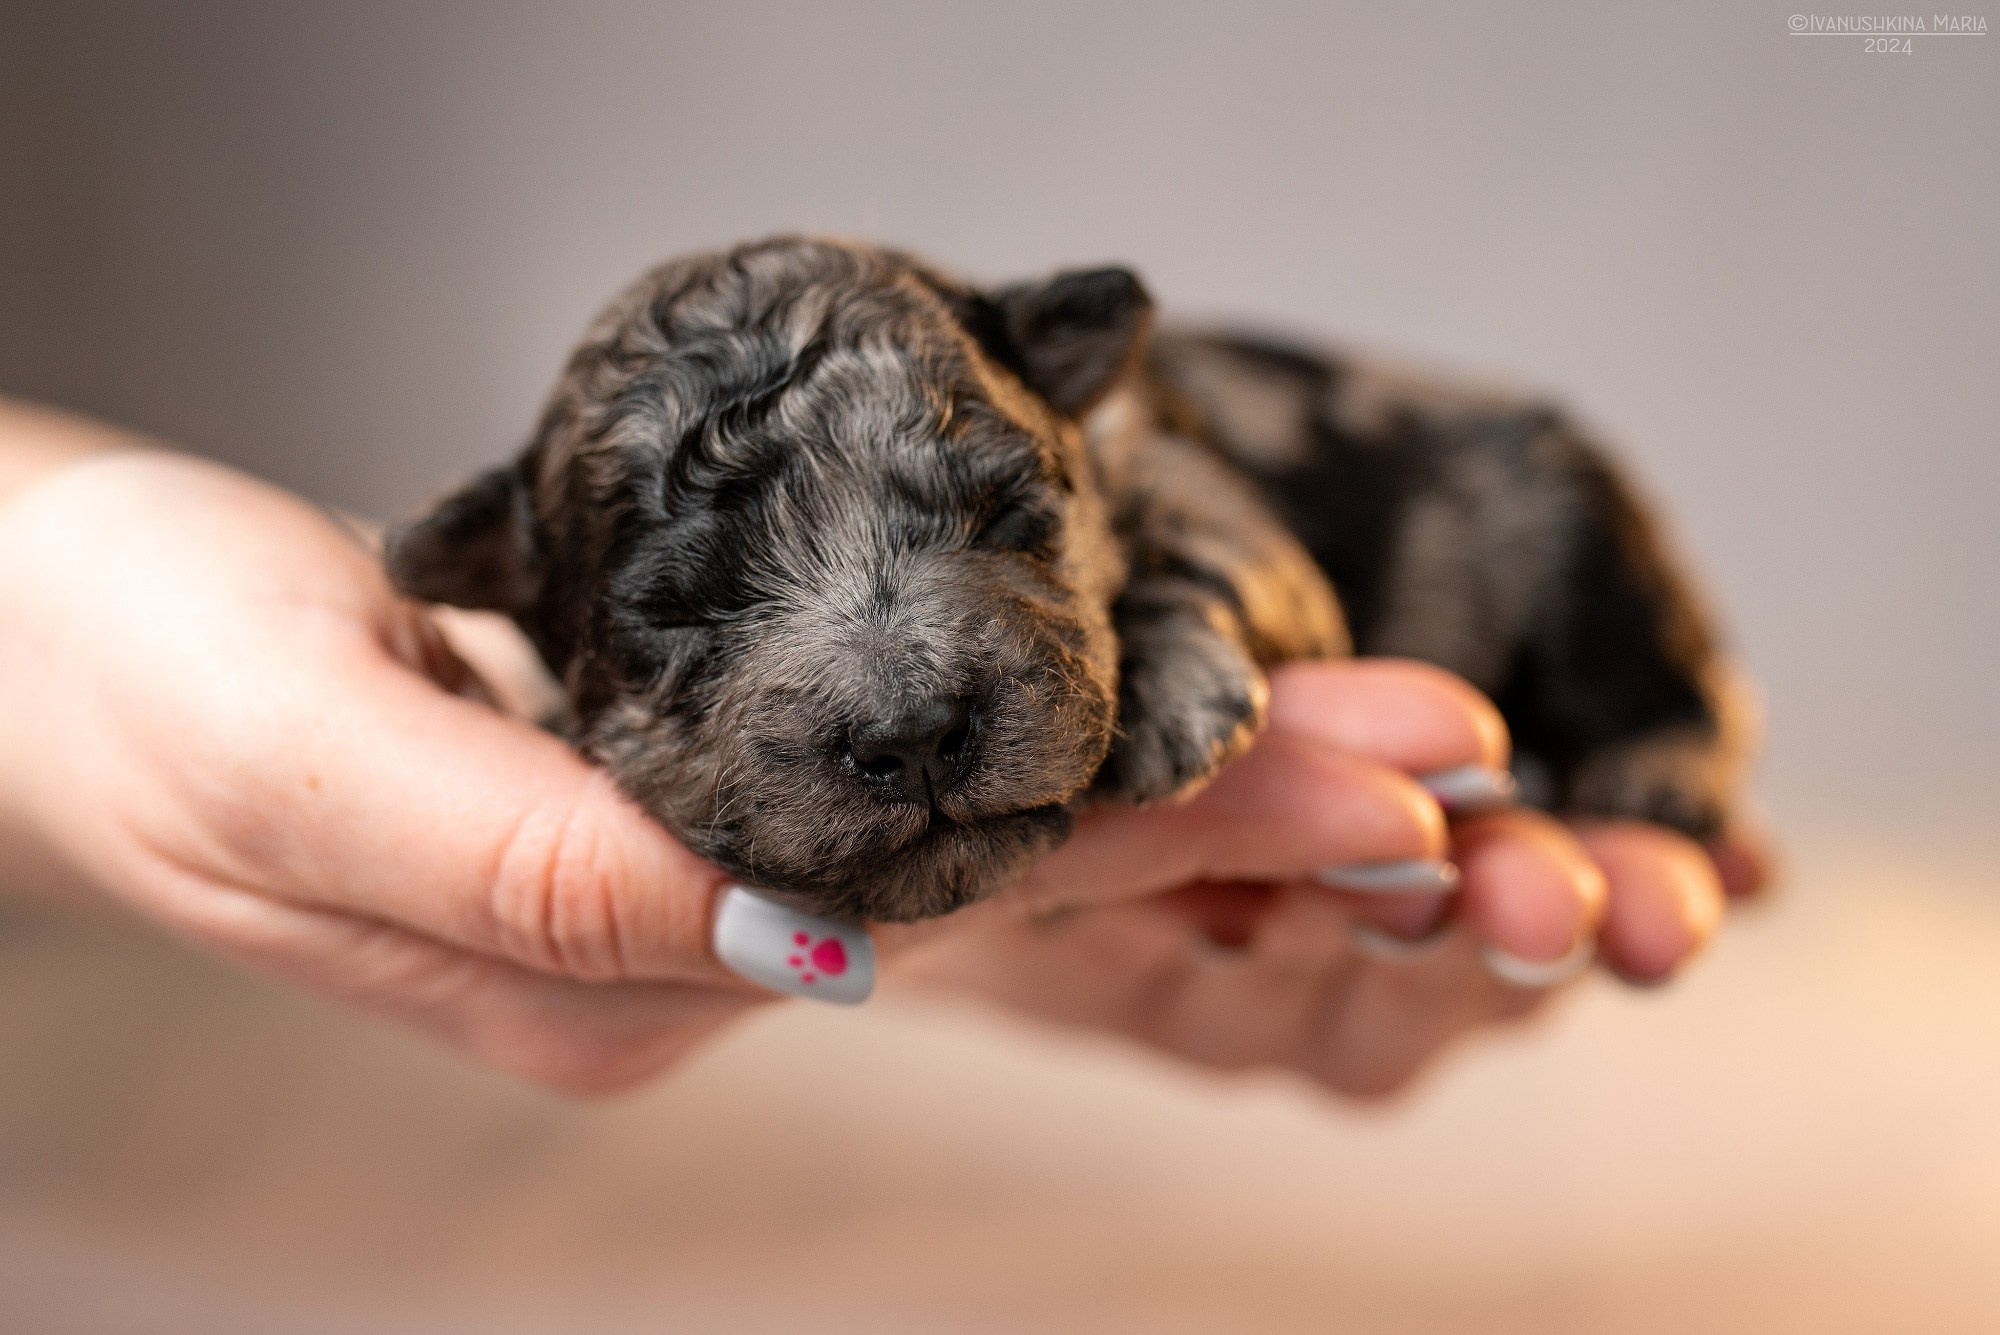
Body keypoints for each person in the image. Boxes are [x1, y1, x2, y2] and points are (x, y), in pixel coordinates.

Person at [0, 396, 1768, 1097]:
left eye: (989, 519)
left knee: (1528, 494)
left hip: (1465, 540)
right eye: (697, 608)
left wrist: (1182, 633)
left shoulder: (1127, 449)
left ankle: (1661, 724)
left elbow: (1237, 559)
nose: (905, 695)